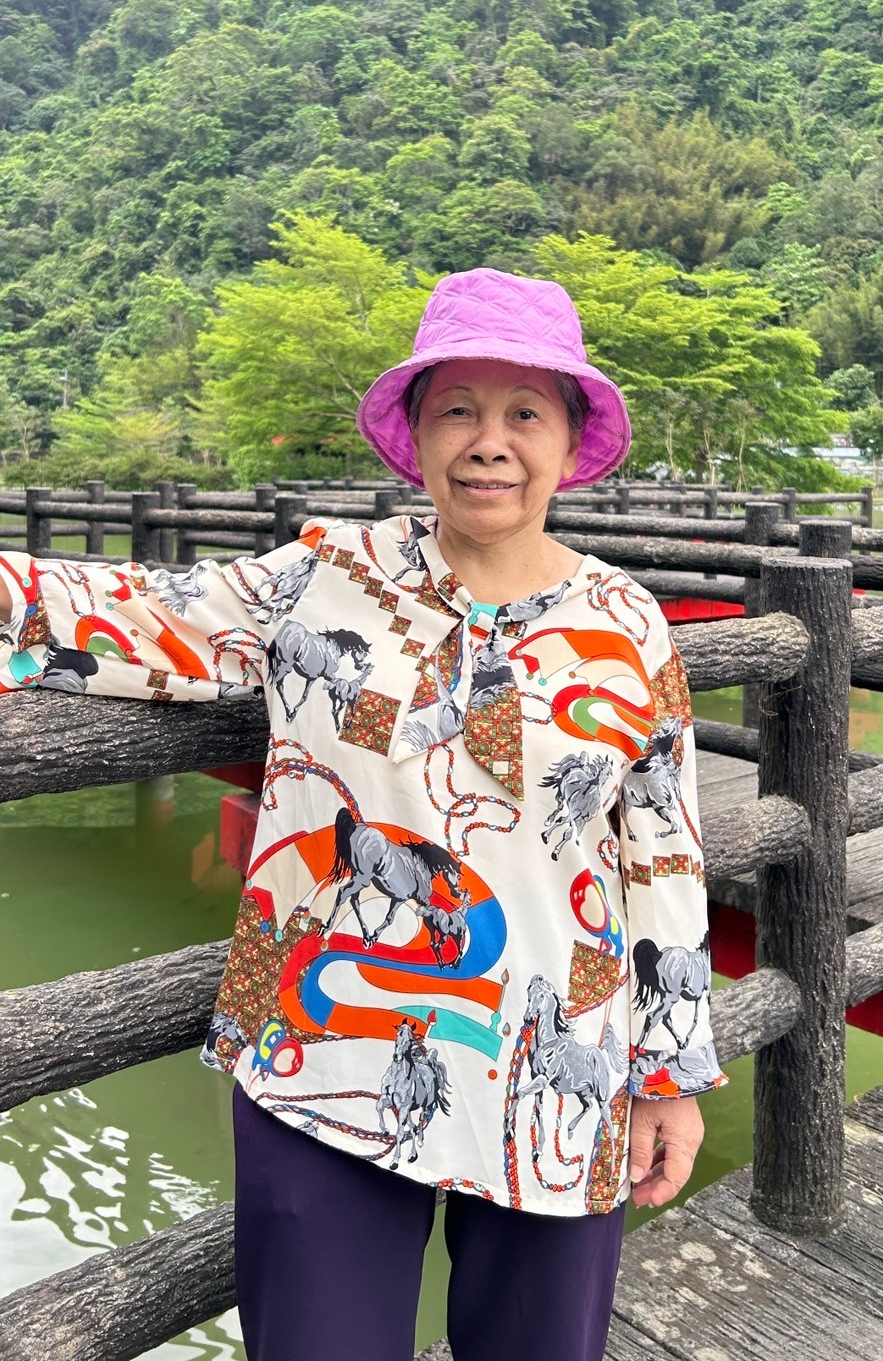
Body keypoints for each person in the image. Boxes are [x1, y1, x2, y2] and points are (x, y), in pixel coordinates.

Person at [0, 267, 725, 1361]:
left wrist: (668, 1073)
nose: (489, 443)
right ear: (416, 435)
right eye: (458, 410)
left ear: (570, 441)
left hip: (554, 1067)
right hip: (320, 1049)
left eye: (525, 413)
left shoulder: (627, 622)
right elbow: (146, 614)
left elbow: (662, 855)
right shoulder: (326, 574)